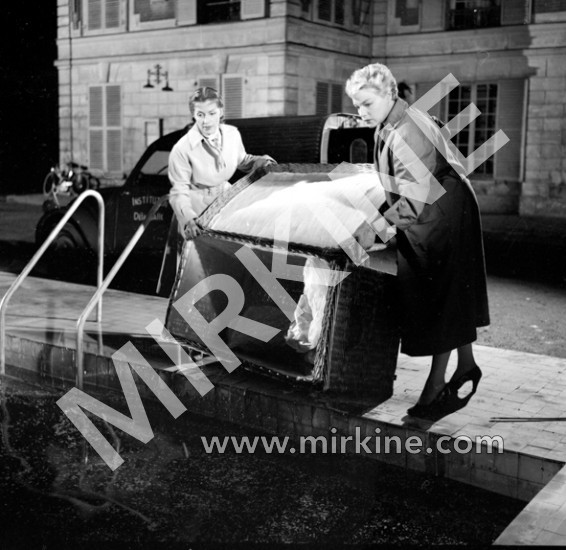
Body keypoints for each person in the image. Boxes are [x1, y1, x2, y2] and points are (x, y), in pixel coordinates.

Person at [345, 63, 490, 418]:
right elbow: (398, 182)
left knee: (438, 295)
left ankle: (436, 386)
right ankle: (466, 365)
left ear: (389, 94)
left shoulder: (406, 129)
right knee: (450, 293)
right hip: (440, 206)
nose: (360, 112)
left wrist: (371, 234)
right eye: (357, 104)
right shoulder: (393, 121)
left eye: (366, 103)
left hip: (439, 214)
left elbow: (413, 198)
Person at [168, 87, 276, 241]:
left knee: (240, 253)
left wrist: (263, 161)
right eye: (201, 115)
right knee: (201, 261)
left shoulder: (231, 136)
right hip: (197, 213)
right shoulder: (182, 149)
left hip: (227, 204)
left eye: (212, 113)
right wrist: (188, 222)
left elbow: (243, 160)